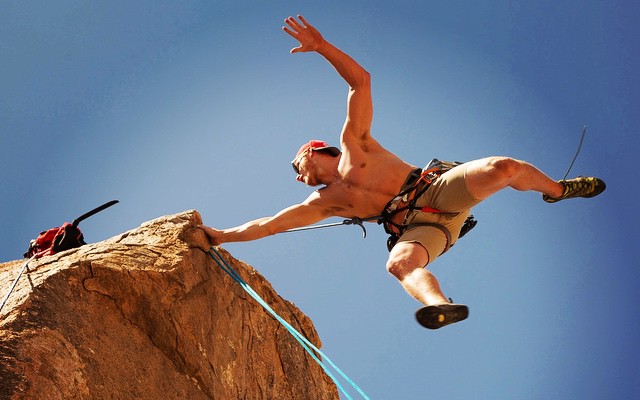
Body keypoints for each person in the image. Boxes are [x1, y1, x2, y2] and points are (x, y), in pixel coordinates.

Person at [200, 15, 606, 330]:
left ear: (314, 151)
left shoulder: (356, 143)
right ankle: (440, 306)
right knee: (398, 265)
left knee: (505, 168)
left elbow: (360, 82)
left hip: (437, 191)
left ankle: (557, 190)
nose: (296, 176)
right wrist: (220, 236)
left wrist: (322, 46)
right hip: (419, 228)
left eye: (296, 165)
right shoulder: (324, 203)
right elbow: (270, 225)